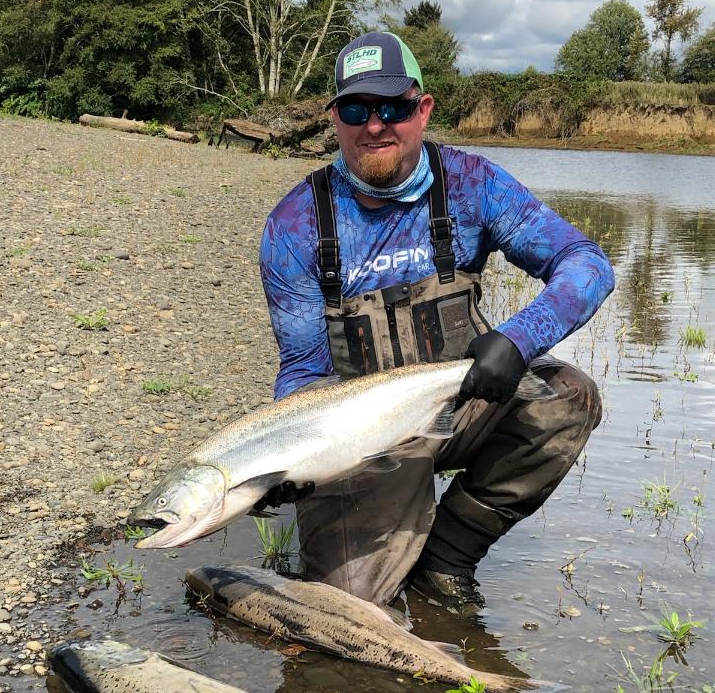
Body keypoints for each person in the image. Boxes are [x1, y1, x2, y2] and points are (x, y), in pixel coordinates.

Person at [258, 31, 614, 611]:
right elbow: (302, 371)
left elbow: (586, 263)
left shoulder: (474, 185)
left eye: (393, 107)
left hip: (461, 403)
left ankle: (446, 558)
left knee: (568, 397)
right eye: (356, 109)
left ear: (422, 110)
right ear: (335, 119)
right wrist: (297, 457)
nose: (375, 125)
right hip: (366, 438)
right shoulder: (294, 226)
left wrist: (517, 341)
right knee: (347, 614)